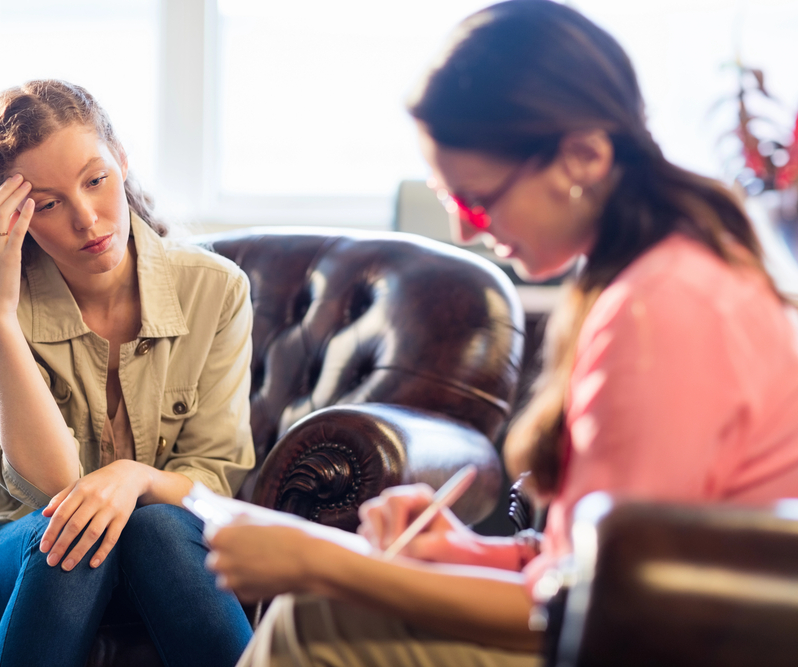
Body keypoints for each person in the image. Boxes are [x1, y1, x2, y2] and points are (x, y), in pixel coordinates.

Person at [204, 1, 798, 665]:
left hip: (680, 642)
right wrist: (467, 550)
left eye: (476, 198)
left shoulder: (662, 310)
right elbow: (588, 557)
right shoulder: (658, 275)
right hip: (650, 620)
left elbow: (596, 607)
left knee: (315, 615)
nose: (465, 230)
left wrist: (322, 559)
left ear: (582, 156)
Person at [0, 80, 255, 667]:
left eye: (96, 180)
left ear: (122, 162)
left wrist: (131, 478)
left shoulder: (216, 289)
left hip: (162, 552)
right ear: (12, 215)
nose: (88, 219)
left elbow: (214, 482)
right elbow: (52, 487)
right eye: (47, 203)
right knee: (69, 535)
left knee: (159, 528)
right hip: (6, 546)